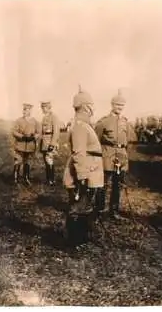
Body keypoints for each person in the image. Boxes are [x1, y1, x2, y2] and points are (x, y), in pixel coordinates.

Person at [62, 90, 105, 232]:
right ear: (86, 107)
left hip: (89, 170)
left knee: (85, 205)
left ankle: (80, 236)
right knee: (79, 206)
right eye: (92, 105)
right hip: (85, 172)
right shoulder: (80, 126)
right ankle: (73, 239)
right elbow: (78, 153)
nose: (94, 108)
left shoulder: (83, 124)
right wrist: (82, 177)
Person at [95, 90, 136, 219]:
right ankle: (100, 210)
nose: (120, 108)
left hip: (121, 156)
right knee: (104, 184)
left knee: (117, 184)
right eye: (118, 105)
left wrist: (125, 155)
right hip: (108, 155)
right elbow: (96, 140)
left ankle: (114, 211)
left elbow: (131, 140)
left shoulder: (125, 122)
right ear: (112, 105)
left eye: (122, 105)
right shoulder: (104, 121)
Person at [11, 103, 40, 185]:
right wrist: (22, 136)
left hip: (30, 145)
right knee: (18, 161)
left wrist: (34, 137)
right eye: (24, 109)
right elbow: (14, 131)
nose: (24, 111)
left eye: (26, 110)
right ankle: (15, 178)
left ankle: (26, 178)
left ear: (30, 111)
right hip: (20, 144)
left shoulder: (35, 121)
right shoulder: (18, 120)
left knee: (27, 162)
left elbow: (38, 132)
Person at [39, 101, 61, 186]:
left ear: (48, 108)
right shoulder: (44, 118)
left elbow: (56, 132)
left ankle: (51, 180)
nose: (43, 109)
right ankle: (49, 179)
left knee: (49, 159)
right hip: (44, 142)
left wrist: (52, 144)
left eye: (44, 108)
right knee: (46, 160)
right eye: (42, 108)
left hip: (50, 141)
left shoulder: (54, 117)